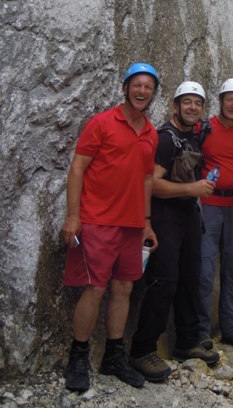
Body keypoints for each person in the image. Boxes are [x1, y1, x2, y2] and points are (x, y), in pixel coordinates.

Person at [61, 62, 160, 393]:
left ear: (153, 93)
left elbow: (146, 179)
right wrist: (73, 216)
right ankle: (78, 357)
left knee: (124, 289)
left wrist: (146, 223)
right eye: (137, 85)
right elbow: (77, 168)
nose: (142, 91)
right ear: (126, 88)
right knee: (94, 288)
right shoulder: (102, 123)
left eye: (148, 87)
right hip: (98, 220)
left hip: (132, 225)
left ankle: (113, 357)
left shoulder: (151, 133)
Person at [130, 81, 220, 381]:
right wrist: (192, 189)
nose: (192, 107)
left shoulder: (190, 138)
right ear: (175, 106)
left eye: (198, 103)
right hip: (166, 216)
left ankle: (187, 341)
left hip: (188, 216)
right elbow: (152, 183)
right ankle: (142, 350)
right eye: (187, 102)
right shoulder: (166, 138)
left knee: (189, 278)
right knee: (164, 282)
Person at [197, 78, 233, 350]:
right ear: (221, 101)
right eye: (229, 99)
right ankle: (201, 332)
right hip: (207, 205)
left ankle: (232, 328)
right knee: (203, 270)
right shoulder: (204, 128)